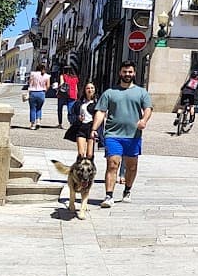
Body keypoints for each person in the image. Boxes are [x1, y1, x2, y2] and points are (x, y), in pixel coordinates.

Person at [92, 61, 152, 207]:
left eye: (130, 72)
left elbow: (148, 108)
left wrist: (144, 120)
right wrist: (94, 129)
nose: (127, 74)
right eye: (125, 72)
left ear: (134, 73)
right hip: (113, 134)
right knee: (113, 164)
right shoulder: (110, 93)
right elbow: (101, 111)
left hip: (133, 136)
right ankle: (109, 196)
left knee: (131, 166)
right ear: (120, 73)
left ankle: (127, 190)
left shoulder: (141, 92)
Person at [64, 81, 98, 162]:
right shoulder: (79, 102)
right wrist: (77, 118)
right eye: (88, 88)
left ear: (95, 89)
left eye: (92, 88)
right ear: (85, 90)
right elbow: (71, 114)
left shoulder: (98, 102)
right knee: (81, 154)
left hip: (91, 128)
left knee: (90, 154)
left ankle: (90, 171)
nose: (90, 90)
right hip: (81, 128)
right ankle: (78, 171)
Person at [25, 64, 49, 130]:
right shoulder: (46, 76)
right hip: (41, 93)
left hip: (33, 92)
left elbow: (30, 83)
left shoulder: (33, 74)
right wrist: (44, 91)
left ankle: (33, 124)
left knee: (32, 108)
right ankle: (38, 121)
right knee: (39, 108)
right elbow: (48, 85)